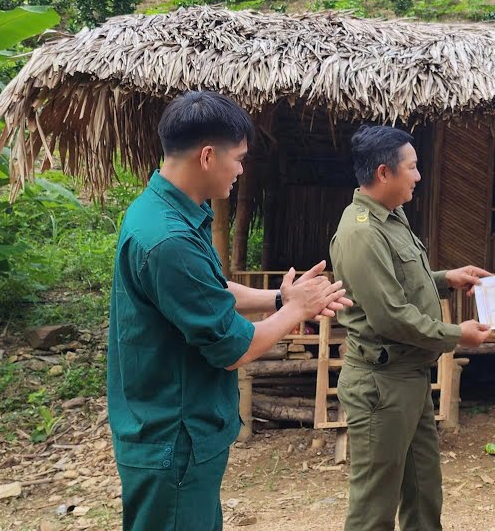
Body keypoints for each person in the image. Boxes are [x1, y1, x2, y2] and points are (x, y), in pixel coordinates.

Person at [109, 90, 352, 531]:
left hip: (174, 428)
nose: (242, 170)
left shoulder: (168, 212)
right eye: (238, 159)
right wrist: (297, 309)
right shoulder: (169, 240)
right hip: (175, 435)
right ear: (207, 157)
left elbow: (210, 288)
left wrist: (280, 299)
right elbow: (234, 348)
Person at [329, 124, 494, 531]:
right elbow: (390, 316)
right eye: (413, 168)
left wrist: (445, 277)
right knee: (375, 506)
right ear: (384, 173)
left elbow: (401, 280)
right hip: (381, 382)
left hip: (410, 377)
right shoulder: (361, 232)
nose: (418, 176)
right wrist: (459, 335)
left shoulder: (392, 216)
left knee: (423, 492)